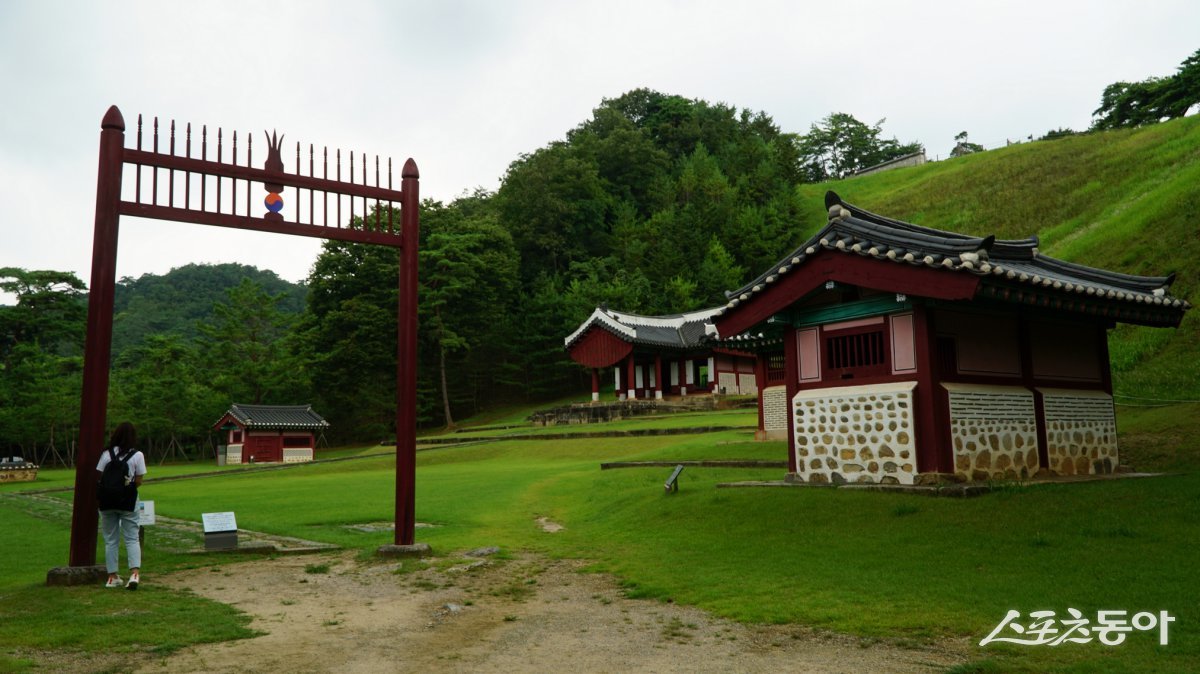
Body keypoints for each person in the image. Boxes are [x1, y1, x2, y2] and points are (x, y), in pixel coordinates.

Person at [95, 421, 147, 590]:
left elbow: (100, 476)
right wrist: (126, 490)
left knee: (111, 539)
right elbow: (139, 480)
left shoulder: (106, 454)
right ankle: (134, 574)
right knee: (132, 537)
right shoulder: (137, 455)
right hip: (128, 502)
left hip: (107, 502)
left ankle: (112, 576)